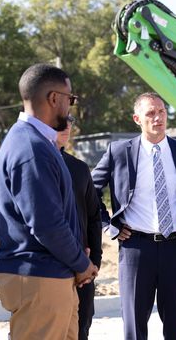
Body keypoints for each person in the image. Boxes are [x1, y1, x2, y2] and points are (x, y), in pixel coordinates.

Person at [91, 92, 176, 340]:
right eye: (150, 113)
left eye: (162, 111)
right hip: (134, 249)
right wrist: (108, 226)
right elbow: (89, 191)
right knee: (134, 326)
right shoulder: (119, 151)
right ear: (137, 118)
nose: (158, 117)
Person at [0, 63, 98, 340]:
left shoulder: (38, 143)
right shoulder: (31, 148)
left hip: (53, 277)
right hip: (41, 279)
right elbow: (47, 224)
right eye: (70, 99)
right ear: (54, 98)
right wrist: (82, 263)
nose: (70, 107)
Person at [57, 115, 103, 340]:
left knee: (80, 331)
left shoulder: (79, 169)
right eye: (61, 120)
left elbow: (95, 218)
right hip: (45, 273)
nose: (67, 126)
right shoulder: (30, 163)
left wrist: (93, 263)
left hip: (82, 275)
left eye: (70, 121)